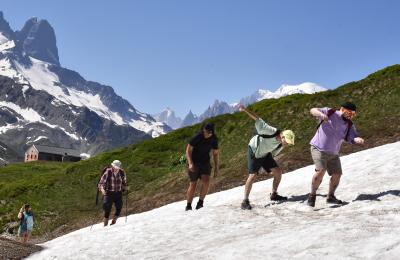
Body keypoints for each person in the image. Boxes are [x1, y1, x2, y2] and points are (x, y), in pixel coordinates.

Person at [307, 102, 365, 207]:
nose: (350, 116)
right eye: (349, 112)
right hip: (318, 148)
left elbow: (352, 137)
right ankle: (312, 195)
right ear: (342, 109)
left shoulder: (349, 124)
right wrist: (320, 115)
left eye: (353, 114)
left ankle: (330, 197)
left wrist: (357, 140)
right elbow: (313, 110)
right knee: (321, 171)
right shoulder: (331, 112)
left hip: (333, 152)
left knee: (337, 174)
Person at [239, 105, 295, 210]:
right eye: (287, 142)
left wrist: (267, 167)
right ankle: (245, 201)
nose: (287, 144)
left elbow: (273, 154)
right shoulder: (270, 131)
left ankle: (274, 194)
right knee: (253, 176)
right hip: (254, 150)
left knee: (278, 171)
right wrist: (245, 109)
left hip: (265, 153)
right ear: (282, 136)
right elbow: (257, 119)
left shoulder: (281, 144)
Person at [185, 123, 219, 211]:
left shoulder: (214, 139)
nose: (207, 134)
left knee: (206, 181)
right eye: (206, 131)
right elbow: (188, 150)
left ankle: (200, 203)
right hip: (194, 161)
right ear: (204, 130)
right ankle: (188, 205)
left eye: (210, 132)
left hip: (205, 162)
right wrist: (190, 163)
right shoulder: (198, 136)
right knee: (193, 184)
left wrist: (216, 167)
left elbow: (215, 153)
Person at [98, 160, 127, 226]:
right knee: (107, 209)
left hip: (118, 193)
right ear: (112, 166)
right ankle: (105, 226)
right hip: (109, 193)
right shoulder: (108, 172)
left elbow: (124, 183)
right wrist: (102, 190)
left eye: (117, 167)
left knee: (119, 207)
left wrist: (126, 188)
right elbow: (101, 183)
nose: (116, 169)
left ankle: (113, 222)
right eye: (115, 167)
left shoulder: (122, 172)